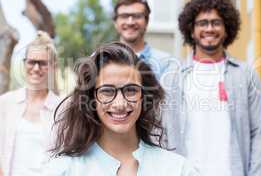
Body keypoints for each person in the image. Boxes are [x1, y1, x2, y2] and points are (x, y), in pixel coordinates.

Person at [43, 42, 199, 176]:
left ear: (144, 96)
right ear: (91, 98)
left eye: (131, 90)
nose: (120, 103)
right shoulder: (63, 170)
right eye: (107, 91)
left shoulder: (179, 170)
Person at [165, 0, 261, 176]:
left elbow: (258, 133)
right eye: (202, 23)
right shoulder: (173, 77)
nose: (209, 28)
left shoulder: (245, 75)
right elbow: (164, 132)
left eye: (216, 22)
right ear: (191, 30)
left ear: (227, 28)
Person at [0, 31, 61, 176]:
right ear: (24, 63)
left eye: (42, 63)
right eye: (32, 62)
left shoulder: (63, 109)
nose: (36, 68)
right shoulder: (5, 103)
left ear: (53, 66)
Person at [113, 0, 174, 80]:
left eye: (137, 16)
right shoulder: (100, 59)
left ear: (147, 22)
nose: (130, 22)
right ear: (115, 22)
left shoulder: (167, 63)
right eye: (124, 16)